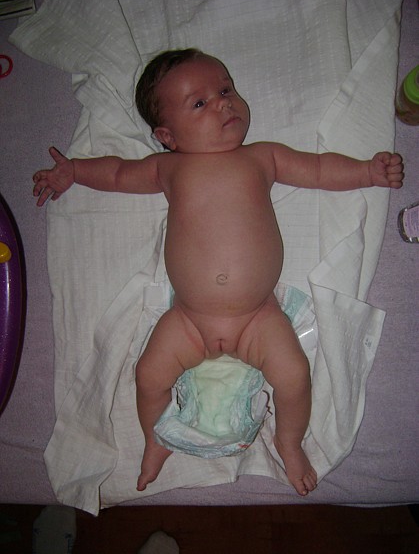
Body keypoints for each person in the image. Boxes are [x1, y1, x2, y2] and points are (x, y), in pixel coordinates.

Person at [33, 48, 404, 496]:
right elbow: (117, 173)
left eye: (225, 90)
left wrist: (367, 172)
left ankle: (288, 443)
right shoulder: (169, 168)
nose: (223, 103)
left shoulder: (261, 157)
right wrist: (74, 171)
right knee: (148, 376)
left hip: (258, 316)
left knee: (293, 376)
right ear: (167, 135)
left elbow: (319, 169)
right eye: (200, 102)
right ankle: (155, 439)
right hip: (189, 319)